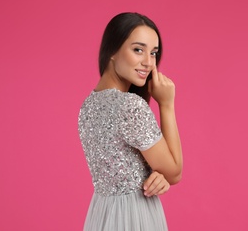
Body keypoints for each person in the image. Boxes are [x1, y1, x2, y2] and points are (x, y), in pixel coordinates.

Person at [78, 12, 183, 231]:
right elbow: (174, 172)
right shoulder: (130, 106)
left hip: (103, 213)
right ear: (113, 50)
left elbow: (127, 166)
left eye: (153, 53)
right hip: (135, 215)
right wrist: (166, 104)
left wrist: (157, 175)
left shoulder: (88, 105)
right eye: (138, 49)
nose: (148, 62)